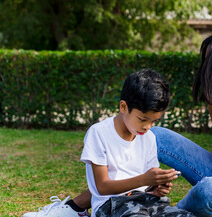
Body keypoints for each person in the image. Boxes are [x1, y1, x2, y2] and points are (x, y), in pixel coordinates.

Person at [23, 27, 212, 217]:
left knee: (209, 190)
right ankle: (75, 207)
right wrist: (148, 183)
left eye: (210, 64)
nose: (205, 70)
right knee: (160, 136)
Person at [22, 69, 195, 217]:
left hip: (145, 200)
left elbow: (146, 183)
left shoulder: (148, 137)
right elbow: (102, 187)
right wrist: (144, 179)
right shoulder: (99, 133)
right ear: (123, 107)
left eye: (154, 121)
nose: (148, 126)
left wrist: (157, 187)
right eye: (143, 119)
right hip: (111, 205)